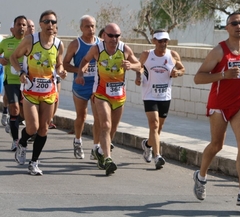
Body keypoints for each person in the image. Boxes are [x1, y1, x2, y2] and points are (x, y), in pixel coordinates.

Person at [192, 12, 240, 206]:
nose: (239, 26)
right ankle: (201, 176)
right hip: (219, 105)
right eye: (234, 23)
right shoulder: (219, 51)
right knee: (216, 145)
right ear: (227, 27)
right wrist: (223, 75)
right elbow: (198, 78)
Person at [75, 23, 141, 176]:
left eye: (117, 36)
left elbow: (140, 65)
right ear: (104, 35)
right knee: (105, 125)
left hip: (119, 95)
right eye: (110, 35)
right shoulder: (97, 49)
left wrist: (132, 66)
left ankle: (100, 151)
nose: (114, 39)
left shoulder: (124, 49)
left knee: (112, 130)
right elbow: (85, 61)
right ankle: (108, 160)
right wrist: (80, 73)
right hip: (101, 94)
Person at [12, 10, 67, 175]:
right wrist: (21, 73)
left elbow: (59, 64)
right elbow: (14, 57)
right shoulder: (30, 41)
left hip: (48, 91)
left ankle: (34, 162)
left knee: (43, 129)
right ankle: (22, 143)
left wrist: (62, 71)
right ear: (41, 24)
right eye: (47, 21)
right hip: (30, 90)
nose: (51, 25)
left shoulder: (59, 44)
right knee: (32, 127)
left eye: (53, 22)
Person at [135, 29, 185, 169]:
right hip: (149, 94)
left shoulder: (172, 55)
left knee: (158, 128)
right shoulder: (147, 54)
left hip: (165, 95)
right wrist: (138, 77)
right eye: (160, 40)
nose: (163, 43)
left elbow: (182, 69)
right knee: (154, 124)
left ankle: (147, 145)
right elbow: (139, 67)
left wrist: (178, 73)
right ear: (153, 41)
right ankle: (158, 156)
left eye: (165, 41)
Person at [63, 15, 101, 159]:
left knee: (98, 117)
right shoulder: (75, 44)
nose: (90, 29)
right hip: (80, 85)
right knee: (82, 116)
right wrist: (78, 71)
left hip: (96, 86)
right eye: (87, 26)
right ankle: (78, 140)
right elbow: (65, 63)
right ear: (81, 28)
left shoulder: (100, 44)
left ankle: (95, 148)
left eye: (92, 26)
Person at [0, 16, 28, 151]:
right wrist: (0, 59)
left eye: (24, 25)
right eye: (19, 24)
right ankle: (15, 140)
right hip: (11, 80)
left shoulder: (30, 42)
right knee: (15, 109)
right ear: (14, 27)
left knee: (24, 113)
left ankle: (18, 132)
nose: (21, 27)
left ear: (27, 27)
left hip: (27, 82)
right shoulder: (6, 42)